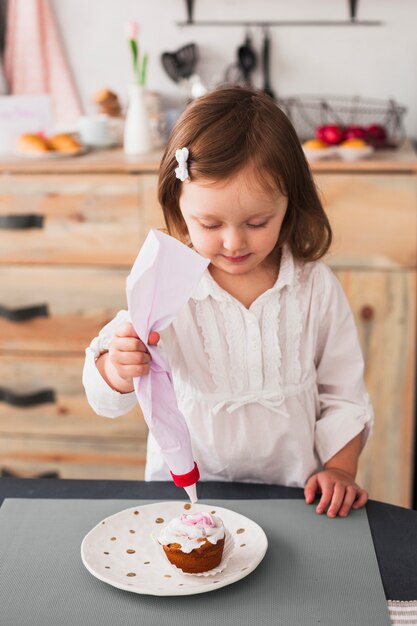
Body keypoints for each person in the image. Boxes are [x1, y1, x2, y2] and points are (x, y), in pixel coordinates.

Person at [83, 86, 373, 518]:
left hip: (295, 499)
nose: (234, 242)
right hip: (187, 501)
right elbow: (106, 398)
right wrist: (116, 368)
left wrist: (341, 469)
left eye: (257, 222)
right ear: (179, 208)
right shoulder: (166, 284)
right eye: (210, 223)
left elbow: (344, 395)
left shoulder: (316, 287)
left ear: (289, 205)